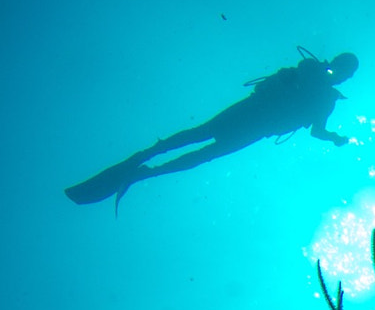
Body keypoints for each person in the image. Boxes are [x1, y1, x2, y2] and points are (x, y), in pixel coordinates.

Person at [65, 48, 359, 207]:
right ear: (335, 63)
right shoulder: (310, 71)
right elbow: (312, 124)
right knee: (201, 137)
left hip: (256, 127)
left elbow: (316, 131)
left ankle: (145, 171)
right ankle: (146, 160)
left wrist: (334, 138)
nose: (339, 74)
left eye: (343, 72)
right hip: (252, 115)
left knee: (203, 150)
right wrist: (333, 137)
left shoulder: (325, 99)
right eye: (340, 68)